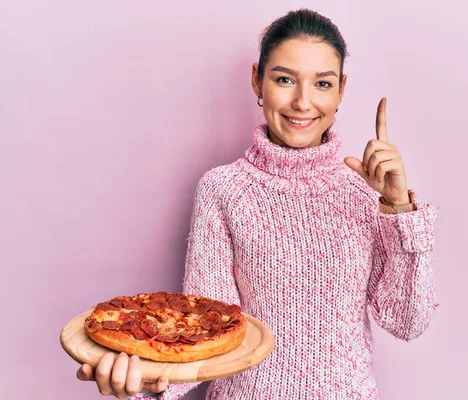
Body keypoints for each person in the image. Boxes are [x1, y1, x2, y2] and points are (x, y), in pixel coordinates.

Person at [76, 8, 439, 400]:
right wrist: (144, 382)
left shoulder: (367, 192)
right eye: (285, 79)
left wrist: (398, 208)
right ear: (257, 81)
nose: (302, 102)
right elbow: (207, 336)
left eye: (322, 83)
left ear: (341, 91)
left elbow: (408, 320)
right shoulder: (223, 190)